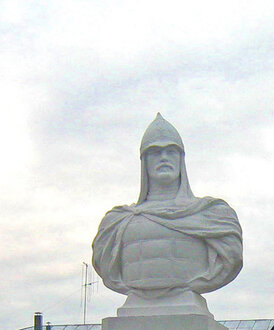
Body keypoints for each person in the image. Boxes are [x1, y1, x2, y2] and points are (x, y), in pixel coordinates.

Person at [92, 114, 243, 304]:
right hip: (134, 308)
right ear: (144, 161)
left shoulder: (212, 214)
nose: (163, 157)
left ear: (181, 159)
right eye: (155, 152)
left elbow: (232, 258)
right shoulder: (116, 221)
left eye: (171, 151)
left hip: (190, 308)